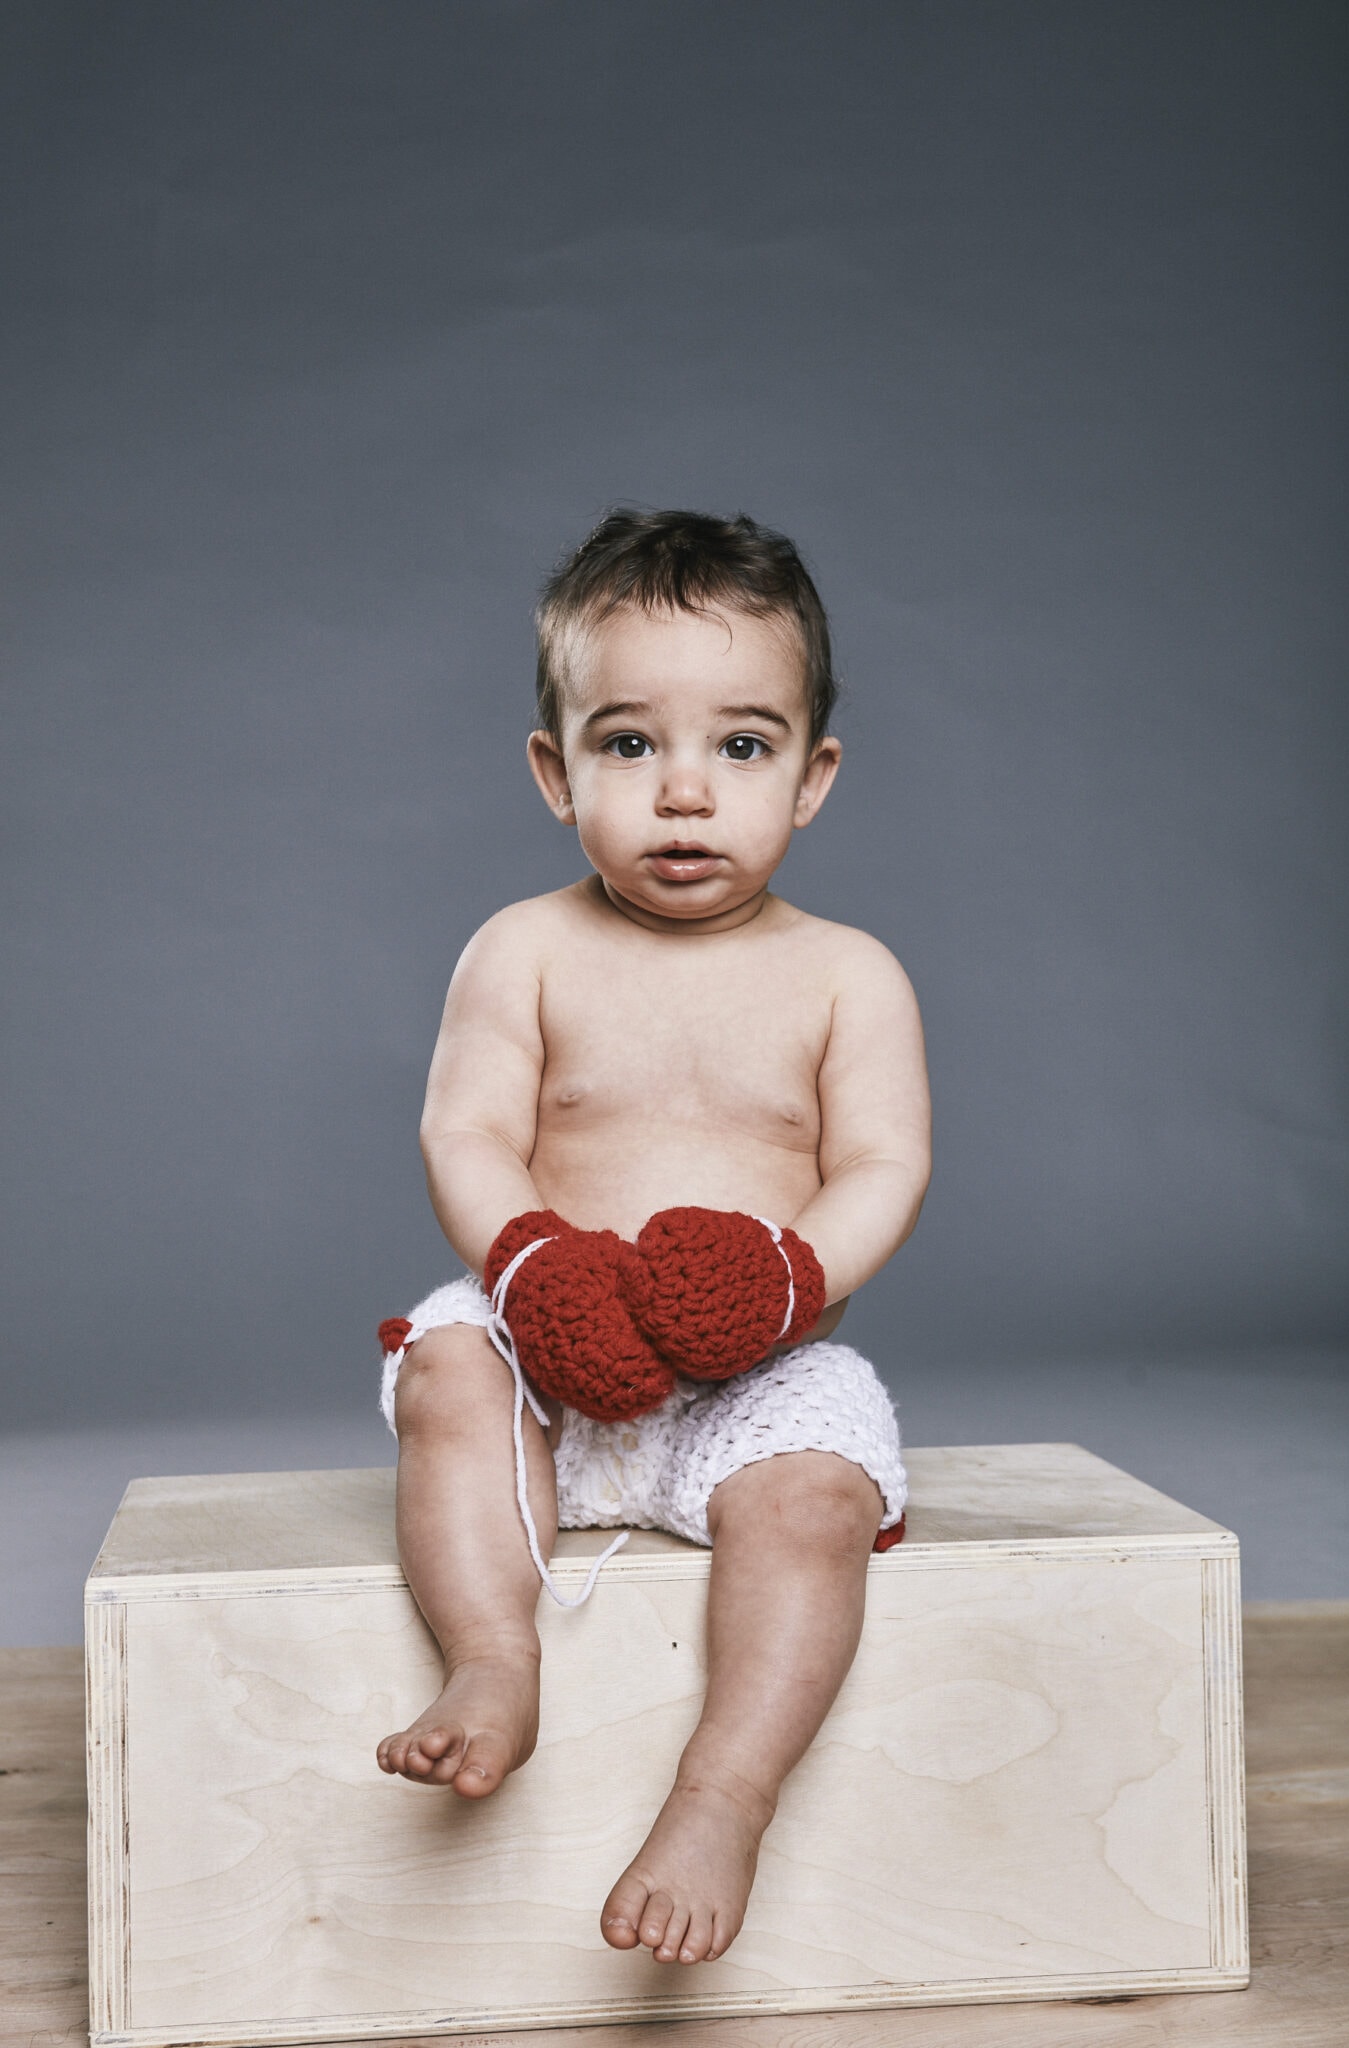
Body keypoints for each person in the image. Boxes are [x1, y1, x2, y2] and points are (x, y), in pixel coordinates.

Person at [375, 508, 931, 1969]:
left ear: (810, 777)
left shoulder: (844, 976)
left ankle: (721, 1794)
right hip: (553, 1358)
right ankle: (494, 1660)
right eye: (630, 746)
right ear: (556, 772)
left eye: (740, 747)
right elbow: (466, 1136)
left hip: (746, 1376)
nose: (684, 793)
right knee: (444, 1369)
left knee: (819, 1487)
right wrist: (529, 1263)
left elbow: (882, 1163)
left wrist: (789, 1275)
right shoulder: (522, 948)